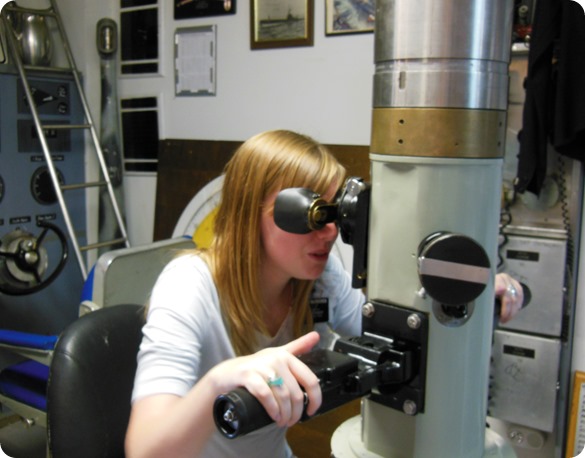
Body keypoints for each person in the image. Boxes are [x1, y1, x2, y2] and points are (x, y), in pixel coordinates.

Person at [125, 130, 524, 458]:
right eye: (312, 214)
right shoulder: (188, 285)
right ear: (250, 213)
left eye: (333, 212)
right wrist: (219, 380)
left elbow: (388, 334)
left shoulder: (316, 277)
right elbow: (145, 450)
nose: (330, 232)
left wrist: (467, 291)